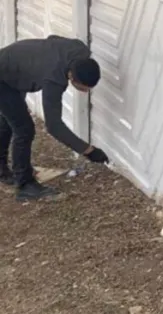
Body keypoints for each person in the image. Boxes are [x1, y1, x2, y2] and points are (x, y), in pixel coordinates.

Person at [0, 34, 108, 201]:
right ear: (71, 77)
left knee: (10, 120)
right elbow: (54, 126)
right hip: (4, 77)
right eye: (84, 88)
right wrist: (88, 151)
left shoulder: (79, 49)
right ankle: (25, 185)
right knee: (24, 129)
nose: (86, 92)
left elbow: (52, 38)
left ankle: (2, 171)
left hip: (13, 66)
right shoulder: (54, 79)